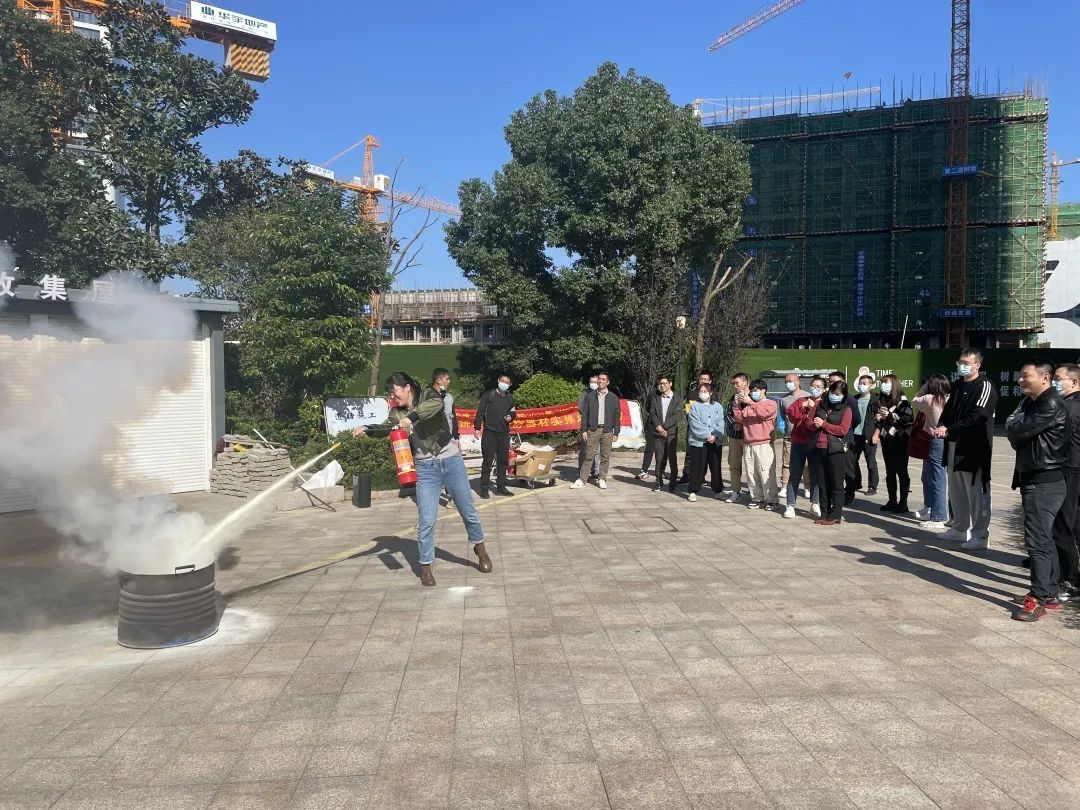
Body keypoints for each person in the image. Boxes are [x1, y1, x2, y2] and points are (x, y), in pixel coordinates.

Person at [355, 372, 489, 586]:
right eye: (390, 393)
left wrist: (411, 418)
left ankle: (480, 548)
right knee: (426, 519)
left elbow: (434, 407)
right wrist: (367, 429)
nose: (393, 396)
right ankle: (426, 566)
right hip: (425, 468)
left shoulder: (428, 395)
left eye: (394, 391)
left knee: (468, 510)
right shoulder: (397, 413)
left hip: (450, 460)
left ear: (407, 388)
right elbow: (385, 427)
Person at [1007, 360, 1069, 621]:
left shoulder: (1049, 404)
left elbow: (1016, 431)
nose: (1020, 380)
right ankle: (1049, 592)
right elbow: (1017, 432)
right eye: (1020, 376)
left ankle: (1038, 599)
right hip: (1037, 478)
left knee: (1037, 543)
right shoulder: (1034, 402)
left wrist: (1015, 427)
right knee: (1044, 539)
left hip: (1044, 482)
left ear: (1045, 378)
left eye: (1026, 376)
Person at [934, 349, 998, 549]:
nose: (962, 365)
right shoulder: (958, 384)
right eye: (960, 362)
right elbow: (947, 410)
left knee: (976, 492)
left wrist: (950, 429)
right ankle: (959, 528)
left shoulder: (984, 386)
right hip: (954, 444)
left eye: (966, 363)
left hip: (974, 448)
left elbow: (978, 415)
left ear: (977, 365)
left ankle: (980, 535)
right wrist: (942, 425)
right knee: (956, 490)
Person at [1051, 364, 1080, 601]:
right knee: (1075, 527)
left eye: (1059, 379)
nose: (1054, 382)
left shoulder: (1069, 407)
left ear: (1074, 382)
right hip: (1074, 468)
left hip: (1069, 469)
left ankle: (1069, 579)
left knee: (1062, 526)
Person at [808, 380, 853, 525]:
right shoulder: (819, 405)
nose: (834, 396)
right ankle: (824, 513)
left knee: (836, 484)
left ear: (844, 395)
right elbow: (809, 423)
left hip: (835, 450)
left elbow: (842, 430)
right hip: (818, 448)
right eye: (833, 392)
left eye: (838, 394)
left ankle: (835, 515)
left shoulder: (846, 409)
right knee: (822, 483)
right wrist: (815, 425)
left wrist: (824, 424)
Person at [912, 374, 951, 529]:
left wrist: (925, 388)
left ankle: (938, 517)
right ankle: (933, 510)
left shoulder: (930, 399)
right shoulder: (951, 398)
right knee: (934, 477)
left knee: (937, 479)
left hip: (937, 440)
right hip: (949, 439)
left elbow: (915, 400)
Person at [733, 378, 779, 510]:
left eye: (756, 390)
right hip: (748, 444)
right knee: (751, 473)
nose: (753, 393)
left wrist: (750, 402)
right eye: (752, 390)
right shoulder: (748, 406)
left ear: (764, 390)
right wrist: (737, 405)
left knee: (766, 473)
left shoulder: (771, 403)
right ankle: (757, 498)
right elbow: (739, 419)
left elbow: (764, 414)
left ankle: (772, 500)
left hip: (764, 444)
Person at [783, 376, 825, 519]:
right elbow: (791, 415)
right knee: (795, 474)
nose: (815, 388)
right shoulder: (801, 400)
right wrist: (803, 408)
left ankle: (815, 503)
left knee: (816, 475)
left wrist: (812, 408)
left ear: (824, 389)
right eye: (813, 385)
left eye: (819, 386)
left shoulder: (824, 403)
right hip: (799, 442)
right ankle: (790, 505)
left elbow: (823, 421)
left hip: (816, 444)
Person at [573, 370, 620, 489]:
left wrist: (616, 432)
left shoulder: (613, 398)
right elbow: (584, 415)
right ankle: (582, 479)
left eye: (603, 379)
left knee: (605, 457)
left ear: (608, 382)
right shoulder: (590, 396)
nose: (600, 381)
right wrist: (584, 430)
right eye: (599, 379)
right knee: (588, 456)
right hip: (593, 430)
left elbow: (616, 415)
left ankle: (602, 479)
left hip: (607, 431)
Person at [874, 374, 913, 514]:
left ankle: (903, 503)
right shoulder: (882, 400)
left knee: (901, 471)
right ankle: (892, 500)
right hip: (887, 440)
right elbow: (879, 420)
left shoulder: (902, 400)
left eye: (886, 382)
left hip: (901, 440)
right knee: (889, 471)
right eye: (882, 382)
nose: (883, 385)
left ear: (894, 384)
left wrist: (889, 416)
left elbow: (908, 419)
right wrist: (878, 417)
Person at [474, 373, 517, 499]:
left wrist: (511, 417)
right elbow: (480, 412)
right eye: (502, 381)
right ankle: (484, 489)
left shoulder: (510, 398)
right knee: (487, 461)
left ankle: (501, 487)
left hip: (504, 434)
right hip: (489, 433)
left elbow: (513, 412)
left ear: (510, 384)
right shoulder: (489, 395)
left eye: (507, 382)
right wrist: (477, 427)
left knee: (503, 462)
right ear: (498, 381)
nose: (504, 384)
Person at [685, 382, 725, 502]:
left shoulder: (718, 406)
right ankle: (693, 490)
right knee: (697, 466)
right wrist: (707, 436)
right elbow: (694, 423)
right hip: (699, 442)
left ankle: (718, 490)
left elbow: (720, 422)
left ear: (711, 393)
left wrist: (715, 436)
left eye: (705, 391)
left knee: (715, 466)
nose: (702, 394)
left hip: (715, 441)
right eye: (701, 391)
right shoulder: (695, 406)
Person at [829, 371, 862, 504]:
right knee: (833, 469)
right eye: (830, 381)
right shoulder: (828, 397)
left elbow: (857, 419)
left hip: (845, 439)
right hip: (830, 438)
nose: (832, 383)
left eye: (835, 381)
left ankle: (849, 494)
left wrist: (846, 428)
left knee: (848, 468)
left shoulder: (850, 399)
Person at [647, 376, 684, 492]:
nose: (662, 386)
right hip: (658, 433)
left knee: (672, 459)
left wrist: (664, 427)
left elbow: (677, 416)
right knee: (659, 458)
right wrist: (658, 427)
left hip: (671, 433)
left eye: (664, 383)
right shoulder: (656, 398)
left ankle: (673, 483)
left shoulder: (677, 399)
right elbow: (652, 413)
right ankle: (658, 482)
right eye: (660, 384)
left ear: (670, 384)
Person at [428, 368, 459, 506]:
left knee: (450, 470)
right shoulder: (427, 396)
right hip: (433, 441)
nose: (449, 381)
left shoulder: (449, 397)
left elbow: (453, 418)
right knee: (434, 470)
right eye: (447, 379)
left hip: (449, 439)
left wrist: (456, 437)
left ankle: (451, 497)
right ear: (439, 380)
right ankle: (431, 498)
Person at [847, 374, 880, 500]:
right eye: (860, 383)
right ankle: (856, 483)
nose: (862, 386)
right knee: (852, 461)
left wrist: (876, 434)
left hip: (869, 435)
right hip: (855, 435)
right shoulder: (854, 399)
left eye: (865, 383)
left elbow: (880, 420)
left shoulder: (876, 399)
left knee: (870, 462)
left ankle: (872, 486)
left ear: (871, 385)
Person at [678, 371, 714, 487]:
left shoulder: (714, 395)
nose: (703, 381)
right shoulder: (692, 394)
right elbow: (688, 411)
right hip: (693, 430)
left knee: (705, 455)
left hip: (708, 431)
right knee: (690, 453)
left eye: (706, 379)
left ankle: (701, 477)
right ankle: (686, 475)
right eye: (701, 379)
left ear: (710, 381)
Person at [780, 373, 811, 494]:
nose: (788, 383)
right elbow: (784, 416)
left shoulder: (808, 396)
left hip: (805, 435)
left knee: (806, 464)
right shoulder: (783, 399)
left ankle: (807, 487)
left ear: (798, 381)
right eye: (786, 381)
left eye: (790, 381)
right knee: (786, 462)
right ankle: (784, 486)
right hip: (789, 435)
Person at [724, 372, 751, 502]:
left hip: (749, 437)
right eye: (733, 383)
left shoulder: (752, 397)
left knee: (751, 465)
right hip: (735, 436)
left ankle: (754, 491)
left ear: (745, 383)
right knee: (734, 464)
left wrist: (743, 423)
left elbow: (754, 414)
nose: (735, 386)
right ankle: (735, 491)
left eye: (737, 383)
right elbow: (727, 414)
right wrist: (734, 424)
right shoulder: (732, 398)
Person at [578, 374, 601, 482]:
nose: (593, 384)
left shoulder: (601, 393)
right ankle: (582, 472)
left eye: (595, 382)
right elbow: (581, 408)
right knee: (584, 450)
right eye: (591, 382)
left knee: (597, 451)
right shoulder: (585, 393)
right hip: (587, 425)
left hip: (599, 426)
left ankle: (595, 472)